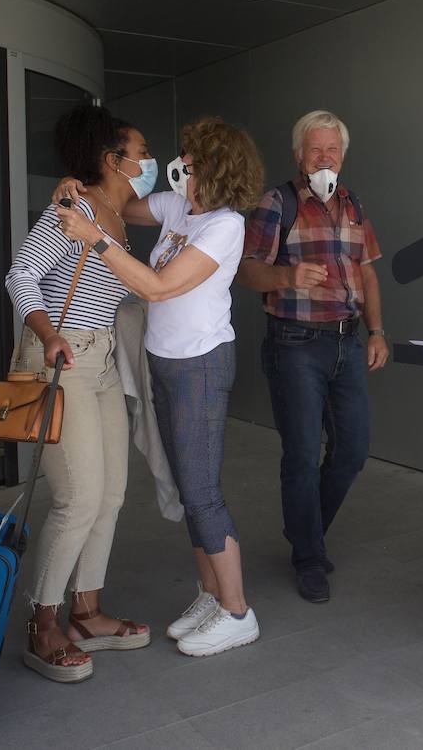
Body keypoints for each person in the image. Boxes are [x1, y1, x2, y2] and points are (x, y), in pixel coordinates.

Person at [56, 115, 266, 656]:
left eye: (189, 163)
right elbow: (118, 204)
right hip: (166, 365)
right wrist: (79, 193)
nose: (176, 167)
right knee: (185, 487)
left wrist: (95, 241)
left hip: (200, 367)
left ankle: (238, 610)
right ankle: (212, 593)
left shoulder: (225, 225)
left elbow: (158, 286)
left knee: (202, 492)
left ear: (213, 170)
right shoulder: (179, 208)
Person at [4, 104, 154, 683]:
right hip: (64, 357)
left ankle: (86, 611)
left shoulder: (117, 212)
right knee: (79, 498)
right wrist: (47, 336)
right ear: (111, 158)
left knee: (112, 493)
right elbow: (21, 274)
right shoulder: (72, 210)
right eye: (140, 152)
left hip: (105, 359)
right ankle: (42, 626)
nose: (147, 160)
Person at [237, 110, 388, 604]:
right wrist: (286, 277)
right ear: (299, 154)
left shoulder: (353, 203)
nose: (325, 158)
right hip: (295, 342)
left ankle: (306, 532)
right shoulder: (276, 202)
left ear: (342, 156)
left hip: (347, 340)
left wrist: (377, 331)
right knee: (302, 455)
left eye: (333, 150)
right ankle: (307, 556)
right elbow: (247, 270)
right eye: (315, 150)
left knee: (351, 451)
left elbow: (365, 273)